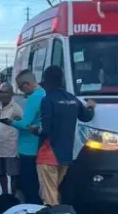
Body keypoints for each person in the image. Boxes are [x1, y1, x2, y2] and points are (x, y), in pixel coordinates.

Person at [34, 65, 95, 206]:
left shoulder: (47, 100)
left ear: (47, 82)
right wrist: (91, 107)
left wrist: (34, 130)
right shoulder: (72, 99)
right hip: (66, 156)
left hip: (48, 154)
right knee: (53, 191)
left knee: (49, 197)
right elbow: (86, 116)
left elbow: (45, 130)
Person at [10, 69, 45, 204]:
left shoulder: (34, 97)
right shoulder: (44, 93)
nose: (21, 91)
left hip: (28, 149)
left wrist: (11, 122)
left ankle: (32, 212)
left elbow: (26, 124)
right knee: (39, 186)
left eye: (20, 87)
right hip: (40, 147)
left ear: (26, 84)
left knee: (29, 187)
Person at [0, 82, 22, 195]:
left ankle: (12, 196)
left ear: (11, 93)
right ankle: (5, 195)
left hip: (11, 148)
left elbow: (23, 124)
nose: (3, 94)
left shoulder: (16, 108)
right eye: (1, 92)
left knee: (13, 174)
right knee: (1, 173)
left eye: (6, 92)